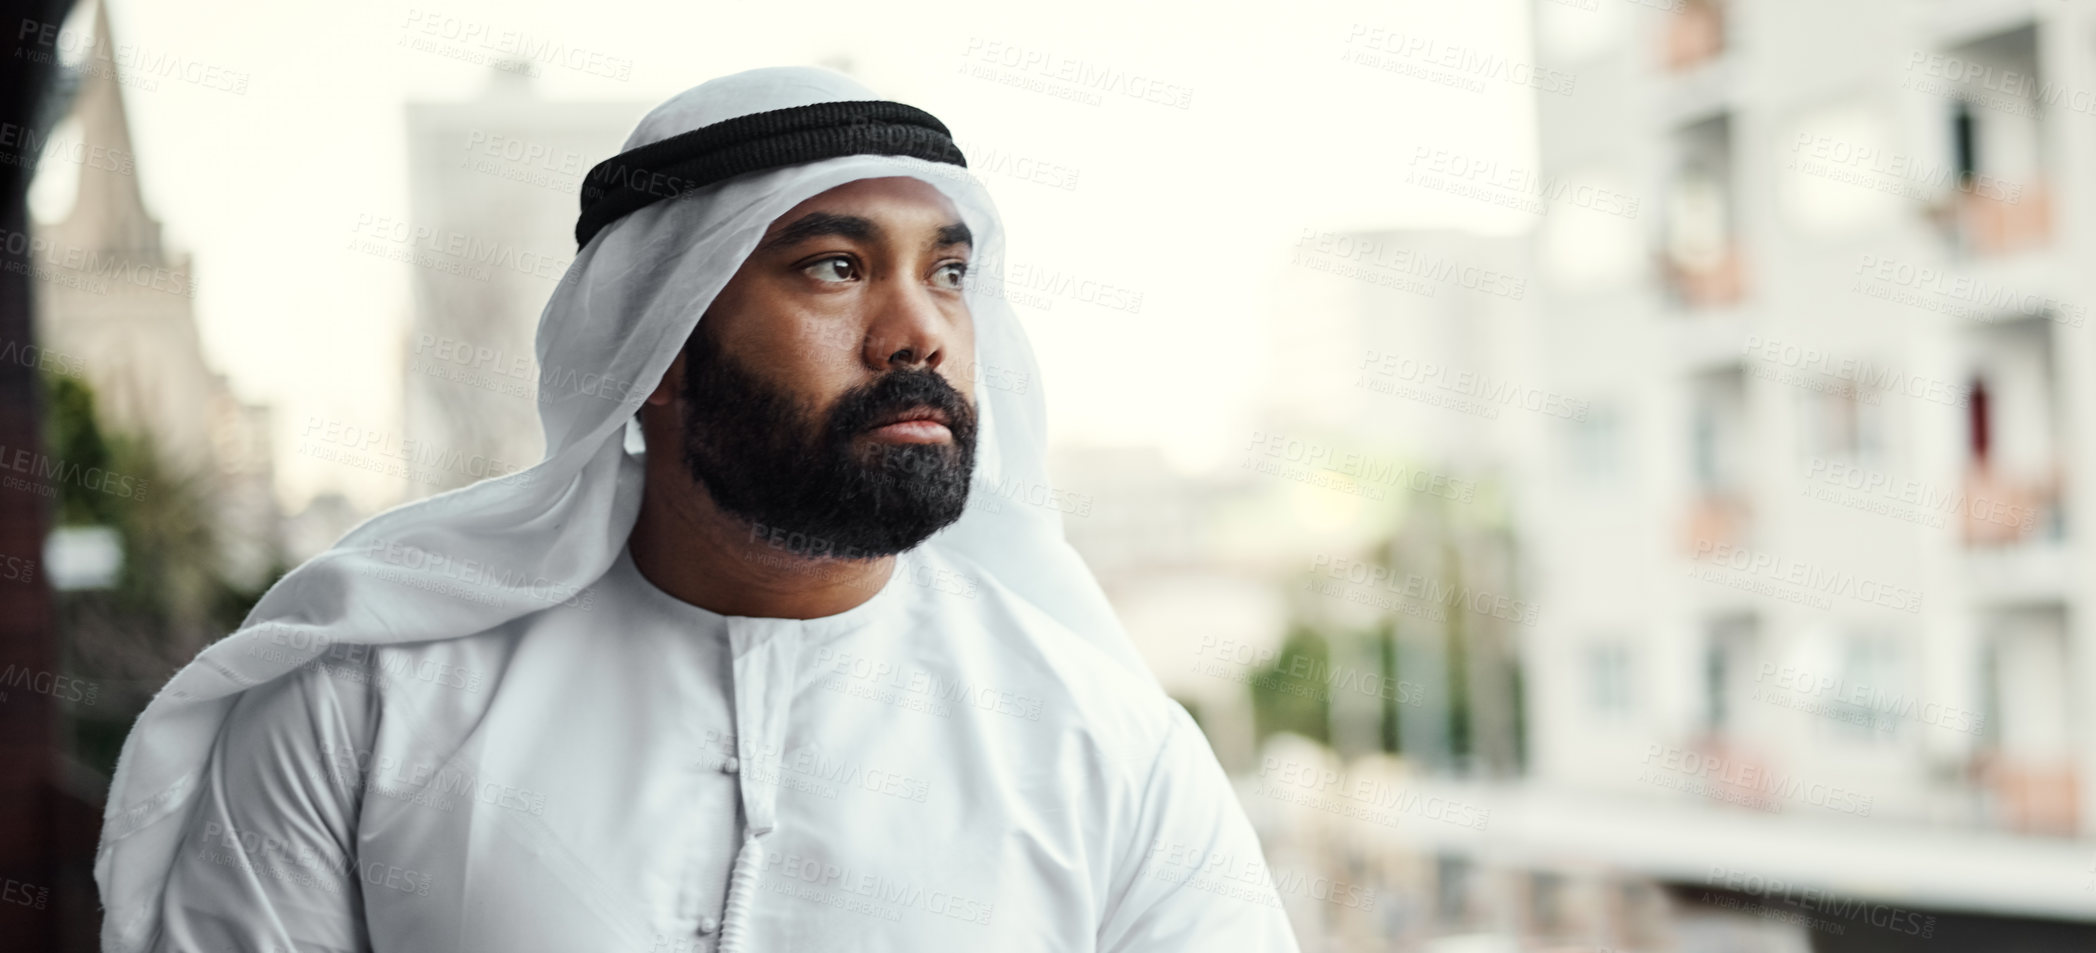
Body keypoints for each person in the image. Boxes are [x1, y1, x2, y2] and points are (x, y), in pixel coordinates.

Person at [96, 66, 1300, 953]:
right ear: (657, 342)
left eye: (946, 271)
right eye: (834, 266)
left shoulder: (1104, 745)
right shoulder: (369, 698)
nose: (918, 328)